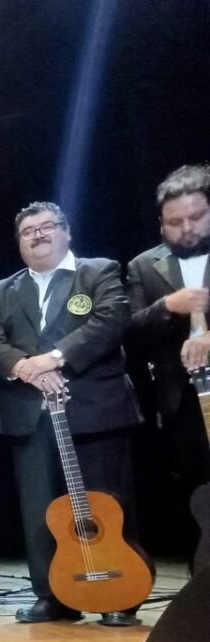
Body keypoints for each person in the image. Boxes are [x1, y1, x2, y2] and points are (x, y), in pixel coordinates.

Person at [0, 202, 143, 625]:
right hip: (29, 415)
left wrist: (53, 359)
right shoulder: (4, 288)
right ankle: (53, 596)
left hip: (94, 409)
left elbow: (111, 320)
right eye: (27, 231)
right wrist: (24, 368)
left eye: (46, 227)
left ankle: (119, 594)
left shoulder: (99, 271)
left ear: (66, 233)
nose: (37, 235)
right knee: (39, 509)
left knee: (108, 503)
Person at [126, 164, 210, 535]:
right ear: (161, 224)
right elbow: (128, 331)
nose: (187, 228)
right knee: (196, 495)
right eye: (175, 221)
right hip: (182, 401)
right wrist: (166, 307)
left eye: (196, 217)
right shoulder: (144, 266)